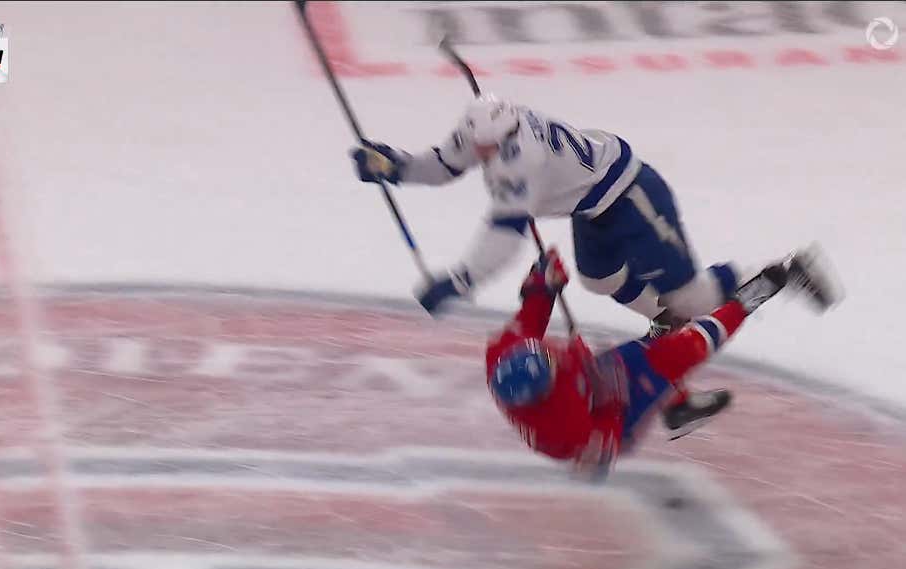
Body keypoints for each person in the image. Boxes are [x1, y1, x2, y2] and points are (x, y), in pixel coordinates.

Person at [349, 93, 836, 435]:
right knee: (600, 280)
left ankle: (784, 270)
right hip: (592, 206)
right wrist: (397, 166)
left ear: (507, 136)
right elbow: (448, 160)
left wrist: (460, 279)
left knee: (691, 301)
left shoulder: (521, 158)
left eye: (489, 149)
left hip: (632, 195)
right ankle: (677, 381)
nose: (481, 154)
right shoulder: (486, 126)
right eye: (479, 145)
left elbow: (505, 231)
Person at [484, 245, 839, 475]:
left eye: (547, 355)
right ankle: (753, 296)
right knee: (681, 353)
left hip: (594, 378)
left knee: (660, 342)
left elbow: (532, 311)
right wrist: (610, 401)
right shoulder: (561, 427)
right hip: (617, 411)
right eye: (551, 365)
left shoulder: (504, 351)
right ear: (544, 392)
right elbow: (601, 450)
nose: (552, 356)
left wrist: (543, 281)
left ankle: (678, 403)